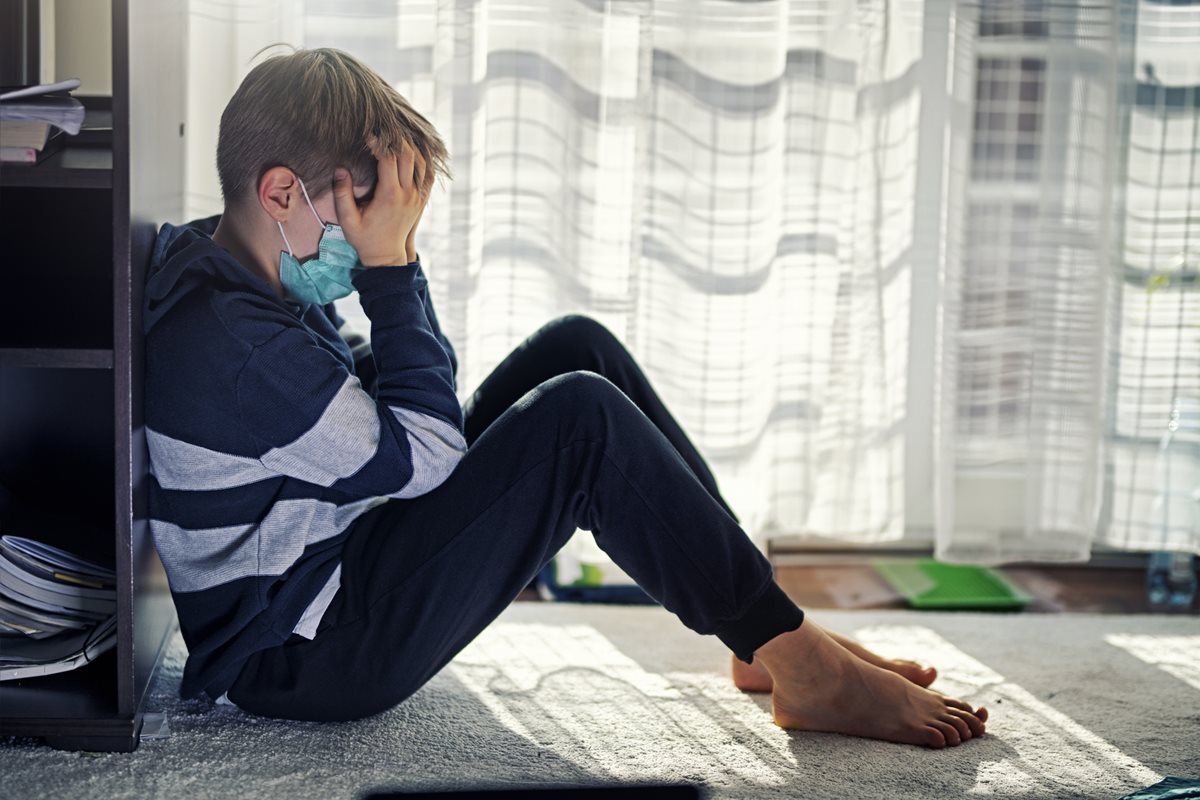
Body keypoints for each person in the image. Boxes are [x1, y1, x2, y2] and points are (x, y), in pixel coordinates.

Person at [143, 47, 987, 749]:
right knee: (578, 422)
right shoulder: (238, 345)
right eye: (362, 215)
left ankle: (763, 633)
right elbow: (428, 455)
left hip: (336, 554)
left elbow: (387, 393)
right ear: (283, 193)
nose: (372, 243)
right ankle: (802, 664)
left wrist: (393, 262)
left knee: (574, 348)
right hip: (305, 653)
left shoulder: (244, 276)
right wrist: (393, 270)